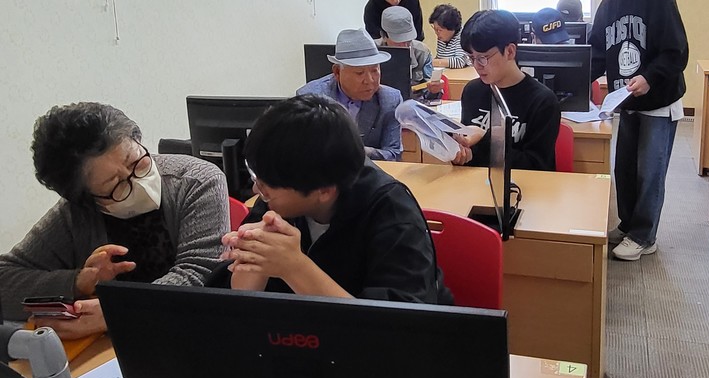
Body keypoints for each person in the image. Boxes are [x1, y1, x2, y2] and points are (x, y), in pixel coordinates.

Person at [0, 102, 229, 337]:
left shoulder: (196, 181)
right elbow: (4, 279)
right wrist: (80, 281)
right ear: (87, 200)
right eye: (115, 185)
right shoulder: (75, 215)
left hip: (192, 333)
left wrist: (116, 312)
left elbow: (201, 274)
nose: (138, 182)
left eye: (137, 162)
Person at [220, 95, 451, 304]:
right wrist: (255, 256)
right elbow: (241, 301)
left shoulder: (392, 213)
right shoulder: (279, 195)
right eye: (257, 178)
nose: (257, 190)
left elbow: (393, 327)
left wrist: (294, 267)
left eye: (266, 187)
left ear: (324, 191)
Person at [584, 0, 688, 261]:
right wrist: (575, 81)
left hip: (658, 99)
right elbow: (598, 53)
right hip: (626, 100)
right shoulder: (609, 3)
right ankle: (629, 225)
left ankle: (645, 236)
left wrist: (649, 77)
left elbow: (676, 51)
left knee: (650, 172)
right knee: (625, 169)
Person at [453, 10, 560, 171]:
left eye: (483, 58)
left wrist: (486, 138)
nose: (476, 65)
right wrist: (459, 151)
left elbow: (537, 166)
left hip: (524, 184)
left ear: (510, 51)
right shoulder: (473, 91)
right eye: (471, 58)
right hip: (476, 182)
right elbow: (470, 156)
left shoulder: (542, 101)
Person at [297, 28, 402, 161]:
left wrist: (361, 151)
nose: (369, 80)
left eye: (374, 70)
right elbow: (303, 153)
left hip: (371, 171)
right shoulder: (310, 98)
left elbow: (394, 155)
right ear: (337, 72)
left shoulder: (390, 99)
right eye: (359, 73)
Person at [375, 6, 433, 86]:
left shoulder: (422, 53)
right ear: (384, 36)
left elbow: (429, 86)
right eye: (398, 41)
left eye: (408, 41)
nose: (405, 46)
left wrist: (434, 89)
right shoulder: (372, 53)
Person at [429, 4, 472, 69]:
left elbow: (459, 62)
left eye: (439, 30)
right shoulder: (442, 38)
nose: (436, 33)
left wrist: (431, 62)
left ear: (451, 28)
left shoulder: (462, 35)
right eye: (435, 29)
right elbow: (440, 58)